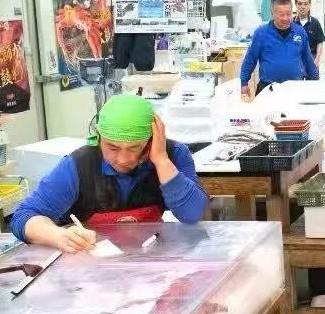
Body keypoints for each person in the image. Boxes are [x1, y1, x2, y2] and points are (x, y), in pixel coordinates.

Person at [11, 95, 208, 253]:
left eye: (134, 148)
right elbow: (24, 217)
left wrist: (162, 161)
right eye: (112, 147)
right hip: (88, 267)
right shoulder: (78, 166)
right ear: (98, 137)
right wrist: (57, 235)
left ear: (152, 139)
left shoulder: (172, 155)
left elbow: (192, 215)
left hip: (150, 258)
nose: (123, 159)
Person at [241, 0, 320, 99]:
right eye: (281, 14)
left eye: (288, 14)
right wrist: (244, 83)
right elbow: (250, 60)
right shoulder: (261, 33)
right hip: (268, 89)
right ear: (272, 14)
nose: (286, 18)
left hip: (295, 89)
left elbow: (307, 59)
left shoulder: (300, 32)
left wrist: (316, 81)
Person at [294, 0, 325, 64]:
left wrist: (317, 60)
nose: (303, 7)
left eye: (305, 4)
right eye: (300, 4)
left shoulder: (315, 22)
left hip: (312, 58)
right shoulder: (291, 23)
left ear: (309, 6)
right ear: (296, 5)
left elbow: (320, 42)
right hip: (295, 59)